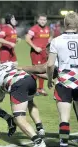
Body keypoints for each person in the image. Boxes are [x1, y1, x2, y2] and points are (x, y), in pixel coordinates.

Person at [0, 61, 46, 147]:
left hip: (18, 84)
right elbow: (18, 65)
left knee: (18, 119)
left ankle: (39, 142)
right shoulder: (8, 63)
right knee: (30, 102)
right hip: (30, 80)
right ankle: (40, 128)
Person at [47, 12, 78, 147]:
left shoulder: (56, 41)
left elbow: (49, 64)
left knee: (64, 117)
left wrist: (49, 79)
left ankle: (63, 143)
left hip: (64, 81)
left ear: (64, 24)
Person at [25, 13, 51, 96]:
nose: (43, 21)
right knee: (36, 70)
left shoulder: (47, 29)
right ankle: (33, 89)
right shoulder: (34, 29)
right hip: (36, 53)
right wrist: (35, 47)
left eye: (44, 20)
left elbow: (48, 38)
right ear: (38, 20)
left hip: (44, 53)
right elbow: (27, 38)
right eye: (41, 20)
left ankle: (40, 88)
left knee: (43, 70)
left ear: (46, 21)